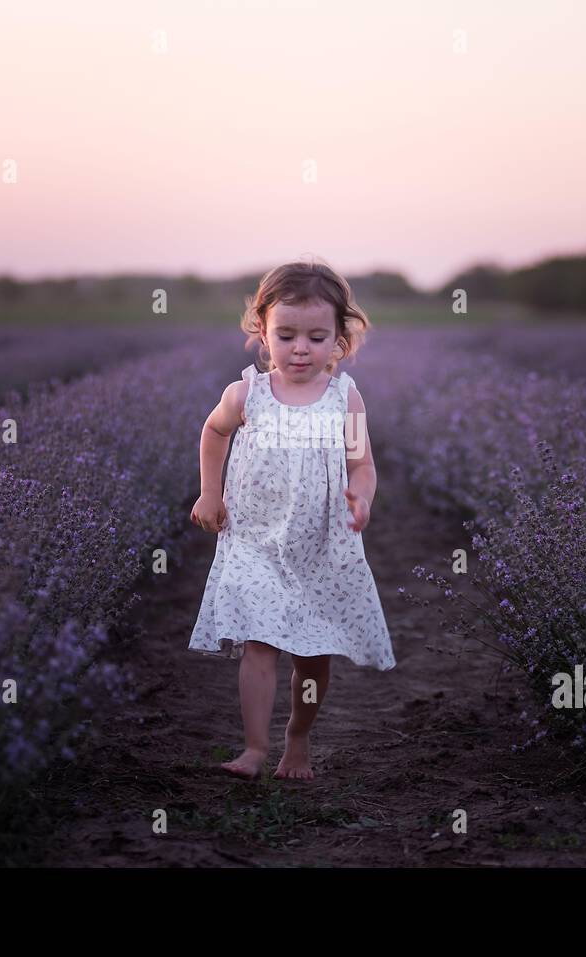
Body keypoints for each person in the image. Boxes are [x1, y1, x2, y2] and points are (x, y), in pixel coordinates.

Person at [188, 259, 395, 781]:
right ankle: (254, 749)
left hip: (320, 547)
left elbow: (361, 463)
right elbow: (214, 434)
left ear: (340, 338)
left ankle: (297, 737)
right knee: (258, 643)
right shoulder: (247, 394)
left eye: (317, 336)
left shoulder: (342, 397)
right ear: (262, 330)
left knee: (311, 656)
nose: (300, 348)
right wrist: (210, 493)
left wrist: (362, 498)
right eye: (286, 335)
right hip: (255, 538)